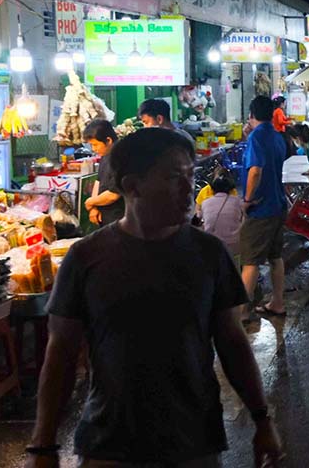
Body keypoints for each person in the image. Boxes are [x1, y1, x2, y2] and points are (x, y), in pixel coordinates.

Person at [25, 128, 282, 467]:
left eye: (190, 175)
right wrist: (43, 446)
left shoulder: (209, 254)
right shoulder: (86, 258)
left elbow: (232, 342)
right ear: (132, 186)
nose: (189, 188)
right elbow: (61, 354)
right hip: (108, 444)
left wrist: (263, 420)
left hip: (194, 442)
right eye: (175, 177)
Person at [240, 96, 289, 319]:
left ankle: (239, 313)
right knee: (275, 256)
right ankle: (277, 302)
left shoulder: (257, 138)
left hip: (261, 210)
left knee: (250, 261)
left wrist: (247, 199)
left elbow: (255, 171)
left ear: (251, 115)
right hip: (278, 204)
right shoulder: (277, 136)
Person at [82, 119, 124, 227]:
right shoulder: (105, 154)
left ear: (108, 140)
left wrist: (90, 202)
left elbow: (113, 195)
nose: (93, 149)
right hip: (104, 216)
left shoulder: (121, 157)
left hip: (119, 218)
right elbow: (98, 181)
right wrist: (94, 208)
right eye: (91, 145)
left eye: (95, 145)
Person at [201, 172, 245, 263]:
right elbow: (245, 219)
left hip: (211, 246)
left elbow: (198, 221)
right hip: (234, 247)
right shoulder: (237, 202)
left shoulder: (205, 203)